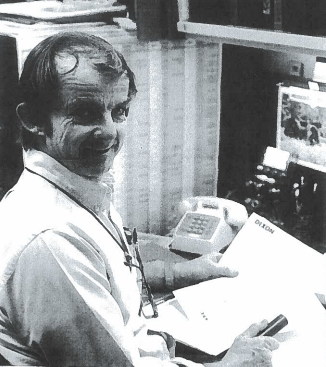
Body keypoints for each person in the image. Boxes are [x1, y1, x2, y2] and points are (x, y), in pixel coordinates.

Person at [0, 32, 278, 366]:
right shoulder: (50, 242)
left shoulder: (75, 184)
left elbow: (110, 271)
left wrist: (182, 274)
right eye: (86, 114)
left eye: (118, 112)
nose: (109, 132)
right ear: (32, 120)